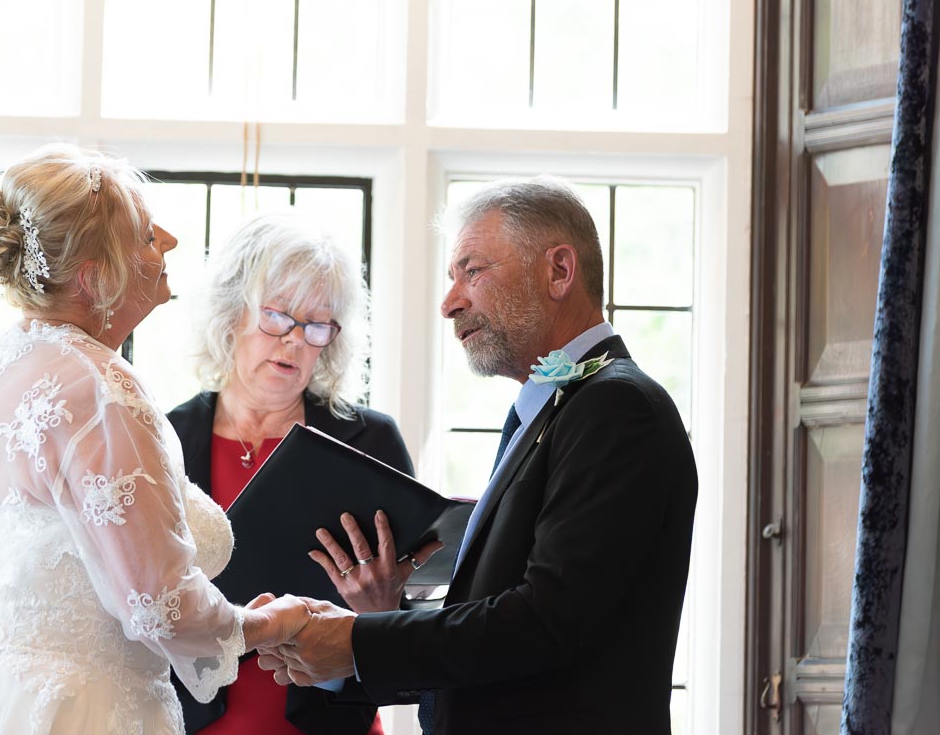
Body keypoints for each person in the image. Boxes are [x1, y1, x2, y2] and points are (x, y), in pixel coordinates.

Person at [259, 178, 699, 735]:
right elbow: (508, 629)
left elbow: (547, 621)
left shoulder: (618, 407)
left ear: (559, 271)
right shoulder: (554, 409)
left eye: (473, 270)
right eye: (452, 278)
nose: (450, 303)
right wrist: (379, 619)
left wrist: (355, 642)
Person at [0, 145, 308, 735]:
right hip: (79, 711)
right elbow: (159, 605)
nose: (167, 240)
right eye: (145, 235)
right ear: (96, 278)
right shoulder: (97, 388)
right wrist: (271, 623)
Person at [167, 212, 442, 735]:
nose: (294, 340)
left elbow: (408, 645)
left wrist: (380, 606)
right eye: (277, 316)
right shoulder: (165, 438)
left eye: (316, 325)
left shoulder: (371, 441)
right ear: (231, 315)